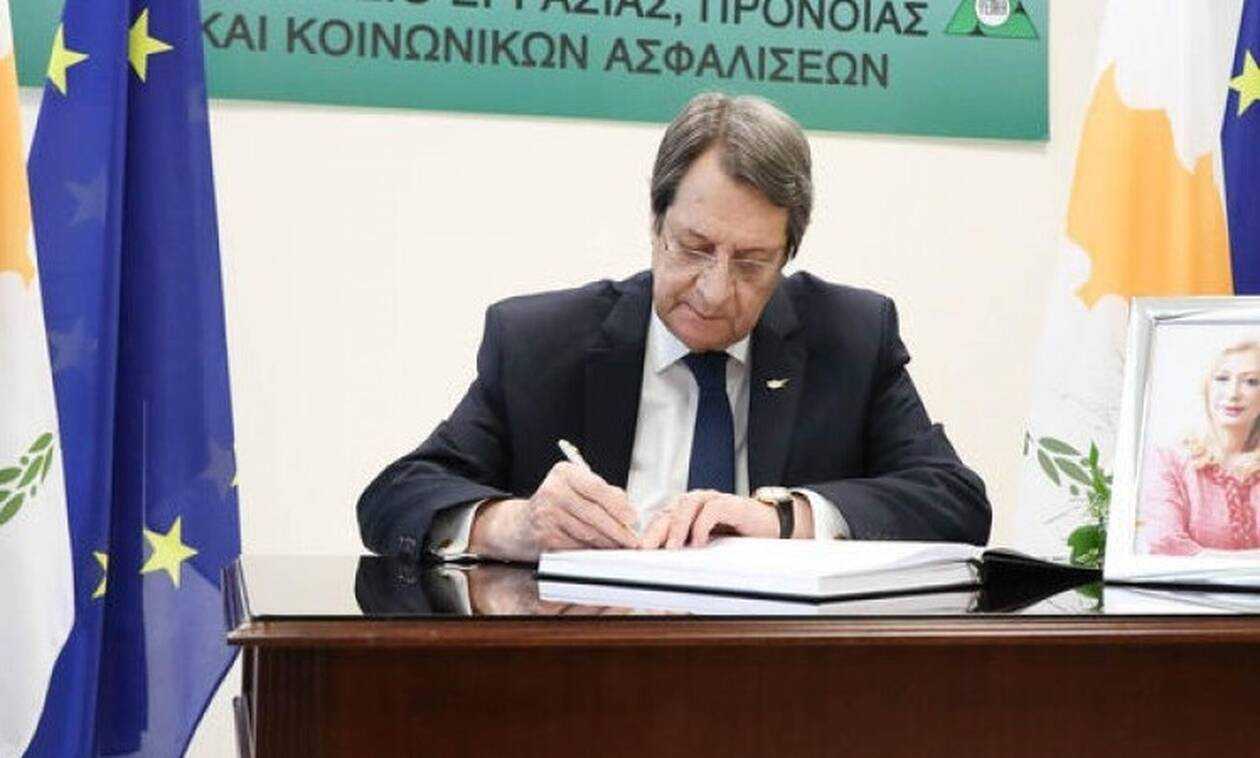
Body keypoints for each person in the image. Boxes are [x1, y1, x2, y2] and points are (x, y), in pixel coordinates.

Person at [357, 92, 991, 563]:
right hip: (588, 669)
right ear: (655, 224)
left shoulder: (852, 337)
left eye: (752, 262)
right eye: (694, 248)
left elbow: (954, 500)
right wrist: (513, 525)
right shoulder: (539, 342)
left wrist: (786, 519)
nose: (715, 291)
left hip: (781, 679)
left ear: (788, 255)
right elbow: (395, 497)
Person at [1140, 340, 1260, 556]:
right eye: (1222, 378)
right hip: (1185, 581)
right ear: (1206, 387)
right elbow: (1164, 542)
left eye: (1251, 381)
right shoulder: (1168, 459)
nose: (1233, 393)